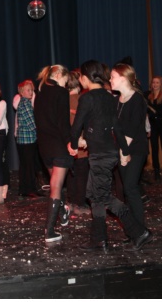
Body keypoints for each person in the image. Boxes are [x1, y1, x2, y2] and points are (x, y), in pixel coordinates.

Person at [68, 60, 152, 252]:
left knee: (103, 196)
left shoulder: (87, 98)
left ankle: (139, 232)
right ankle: (99, 240)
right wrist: (124, 151)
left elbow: (76, 127)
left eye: (80, 77)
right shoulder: (109, 97)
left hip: (100, 156)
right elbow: (116, 127)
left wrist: (73, 145)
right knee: (94, 195)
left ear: (85, 78)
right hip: (108, 153)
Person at [34, 65, 73, 242]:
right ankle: (49, 231)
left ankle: (63, 213)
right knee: (56, 186)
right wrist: (70, 142)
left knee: (55, 183)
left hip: (44, 146)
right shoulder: (61, 92)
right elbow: (63, 122)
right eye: (66, 79)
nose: (66, 84)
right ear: (58, 75)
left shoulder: (40, 93)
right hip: (58, 145)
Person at [110, 63, 149, 228]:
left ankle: (140, 229)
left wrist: (124, 152)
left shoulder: (137, 99)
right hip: (122, 149)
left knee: (130, 187)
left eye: (112, 77)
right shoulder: (116, 100)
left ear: (123, 78)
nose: (110, 80)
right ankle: (134, 229)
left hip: (136, 149)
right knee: (127, 189)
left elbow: (132, 129)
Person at [65, 70, 91, 216]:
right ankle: (79, 204)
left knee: (71, 174)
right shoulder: (80, 100)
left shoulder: (63, 101)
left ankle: (71, 201)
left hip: (68, 145)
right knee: (82, 175)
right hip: (80, 145)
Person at [144, 76, 162, 181]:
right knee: (154, 148)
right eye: (153, 82)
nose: (155, 84)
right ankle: (156, 170)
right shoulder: (148, 95)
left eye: (157, 83)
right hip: (153, 126)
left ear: (161, 84)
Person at [15, 80, 39, 198]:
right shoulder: (26, 104)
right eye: (28, 90)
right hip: (27, 140)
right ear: (22, 92)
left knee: (25, 166)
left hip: (23, 140)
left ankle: (24, 189)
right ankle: (30, 189)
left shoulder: (23, 103)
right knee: (29, 166)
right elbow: (32, 124)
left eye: (32, 90)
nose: (31, 92)